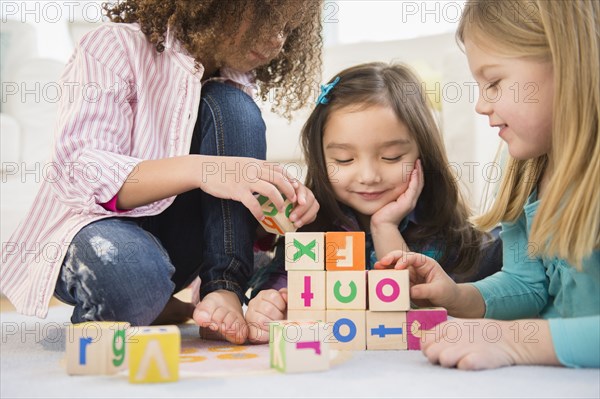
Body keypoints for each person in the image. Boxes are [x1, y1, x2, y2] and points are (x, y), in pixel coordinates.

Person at [0, 0, 322, 345]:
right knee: (130, 277)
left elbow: (224, 215)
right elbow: (82, 170)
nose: (276, 39)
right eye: (265, 18)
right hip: (92, 233)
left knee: (233, 106)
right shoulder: (112, 46)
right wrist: (203, 170)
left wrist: (274, 208)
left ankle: (223, 288)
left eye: (287, 29)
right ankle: (151, 298)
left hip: (173, 250)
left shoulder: (235, 89)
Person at [376, 0, 600, 369]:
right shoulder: (526, 170)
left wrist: (516, 342)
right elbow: (527, 285)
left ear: (569, 61)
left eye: (494, 82)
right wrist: (456, 296)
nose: (481, 105)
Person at [245, 62, 503, 343]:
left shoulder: (446, 236)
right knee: (253, 262)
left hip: (403, 370)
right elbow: (284, 283)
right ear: (321, 161)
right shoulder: (312, 229)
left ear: (423, 155)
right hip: (339, 369)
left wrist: (385, 228)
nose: (368, 177)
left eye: (391, 157)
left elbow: (416, 316)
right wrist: (269, 304)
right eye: (344, 160)